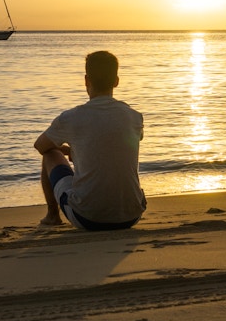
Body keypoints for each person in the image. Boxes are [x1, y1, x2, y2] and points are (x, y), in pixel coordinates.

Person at [34, 50, 146, 230]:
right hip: (131, 216)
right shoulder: (134, 117)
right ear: (116, 81)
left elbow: (40, 146)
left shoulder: (71, 118)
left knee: (49, 154)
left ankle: (52, 216)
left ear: (86, 80)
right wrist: (76, 151)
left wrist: (67, 150)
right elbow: (113, 144)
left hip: (87, 217)